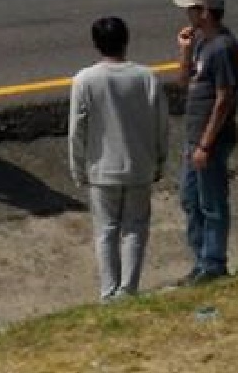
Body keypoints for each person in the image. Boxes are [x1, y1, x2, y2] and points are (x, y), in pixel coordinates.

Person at [69, 17, 169, 302]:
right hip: (140, 164)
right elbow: (162, 123)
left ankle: (108, 290)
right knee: (135, 228)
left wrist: (78, 169)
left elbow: (77, 130)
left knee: (106, 231)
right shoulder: (146, 76)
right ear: (126, 40)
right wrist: (160, 160)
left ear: (96, 43)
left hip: (101, 168)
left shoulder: (85, 79)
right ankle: (129, 288)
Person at [173, 0, 238, 285]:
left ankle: (213, 264)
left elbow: (224, 99)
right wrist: (185, 52)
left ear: (204, 13)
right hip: (194, 136)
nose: (187, 13)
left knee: (211, 202)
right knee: (190, 199)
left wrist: (205, 143)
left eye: (191, 8)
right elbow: (183, 82)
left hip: (209, 140)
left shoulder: (223, 47)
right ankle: (201, 261)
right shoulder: (201, 42)